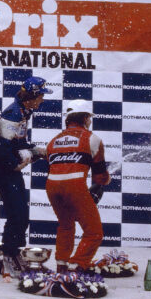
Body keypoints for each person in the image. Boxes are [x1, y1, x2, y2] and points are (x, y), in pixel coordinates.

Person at [0, 76, 51, 274]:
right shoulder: (13, 113)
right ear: (32, 96)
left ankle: (13, 252)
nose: (42, 100)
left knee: (21, 215)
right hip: (4, 172)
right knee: (17, 214)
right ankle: (8, 255)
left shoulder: (24, 111)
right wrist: (16, 165)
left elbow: (17, 144)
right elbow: (1, 149)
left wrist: (36, 151)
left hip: (9, 171)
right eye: (41, 95)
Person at [45, 99, 110, 273]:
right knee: (94, 232)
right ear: (86, 118)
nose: (90, 121)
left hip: (52, 187)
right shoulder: (92, 138)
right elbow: (99, 175)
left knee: (65, 225)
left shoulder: (54, 140)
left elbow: (53, 165)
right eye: (89, 117)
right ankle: (77, 265)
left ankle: (62, 264)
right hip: (74, 186)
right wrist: (105, 181)